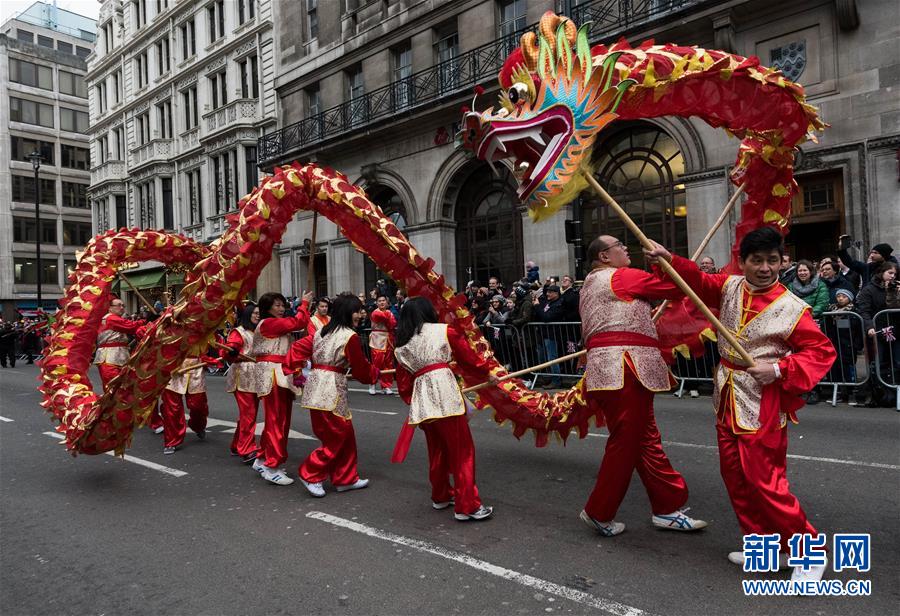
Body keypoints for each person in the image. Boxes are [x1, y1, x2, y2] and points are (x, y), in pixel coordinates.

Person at [648, 227, 836, 581]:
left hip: (763, 401)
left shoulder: (793, 308)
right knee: (735, 477)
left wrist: (779, 368)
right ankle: (764, 548)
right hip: (727, 396)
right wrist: (668, 260)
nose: (765, 268)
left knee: (765, 481)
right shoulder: (729, 286)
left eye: (772, 260)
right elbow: (697, 281)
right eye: (757, 260)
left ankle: (810, 554)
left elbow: (822, 352)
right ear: (742, 261)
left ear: (783, 261)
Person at [577, 235, 707, 538]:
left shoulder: (591, 284)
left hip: (615, 370)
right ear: (604, 256)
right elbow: (677, 288)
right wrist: (664, 261)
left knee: (644, 439)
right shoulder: (622, 277)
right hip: (624, 368)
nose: (625, 248)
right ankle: (599, 511)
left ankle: (667, 507)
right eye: (619, 245)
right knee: (626, 442)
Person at [393, 297, 498, 521]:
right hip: (445, 394)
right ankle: (467, 506)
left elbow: (403, 384)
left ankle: (441, 495)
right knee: (462, 451)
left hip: (423, 400)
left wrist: (415, 399)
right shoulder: (444, 331)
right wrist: (487, 374)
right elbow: (468, 357)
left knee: (437, 450)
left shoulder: (402, 345)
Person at [291, 293, 380, 497]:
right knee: (339, 435)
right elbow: (360, 369)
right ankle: (310, 472)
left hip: (317, 385)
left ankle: (345, 478)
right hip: (331, 389)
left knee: (345, 434)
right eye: (357, 311)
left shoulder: (322, 332)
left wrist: (295, 368)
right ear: (348, 312)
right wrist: (373, 374)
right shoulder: (350, 336)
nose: (360, 315)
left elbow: (298, 348)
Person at [249, 290, 313, 485]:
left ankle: (262, 458)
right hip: (272, 374)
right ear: (267, 308)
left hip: (278, 374)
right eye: (276, 305)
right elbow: (297, 323)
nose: (281, 308)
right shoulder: (269, 323)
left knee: (275, 420)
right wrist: (304, 304)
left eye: (282, 304)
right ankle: (272, 466)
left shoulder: (272, 325)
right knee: (278, 421)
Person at [221, 304, 262, 463]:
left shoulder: (258, 331)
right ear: (248, 314)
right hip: (243, 375)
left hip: (256, 376)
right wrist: (231, 351)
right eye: (255, 313)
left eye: (259, 313)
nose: (258, 315)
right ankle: (247, 449)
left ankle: (237, 445)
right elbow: (228, 350)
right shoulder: (238, 332)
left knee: (249, 414)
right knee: (248, 414)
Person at [159, 354, 217, 454]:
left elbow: (214, 342)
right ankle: (172, 441)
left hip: (196, 370)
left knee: (198, 405)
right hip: (173, 369)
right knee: (172, 408)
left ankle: (198, 426)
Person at [94, 297, 145, 390]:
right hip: (110, 358)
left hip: (118, 357)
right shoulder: (111, 318)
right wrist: (145, 320)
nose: (122, 307)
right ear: (110, 308)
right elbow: (131, 326)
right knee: (114, 389)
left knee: (121, 389)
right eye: (118, 305)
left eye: (123, 306)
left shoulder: (113, 318)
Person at [368, 293, 397, 395]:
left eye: (383, 301)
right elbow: (385, 318)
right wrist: (389, 316)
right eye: (379, 301)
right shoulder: (375, 313)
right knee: (377, 362)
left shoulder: (389, 312)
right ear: (376, 303)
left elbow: (393, 323)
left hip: (388, 339)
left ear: (386, 302)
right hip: (377, 339)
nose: (382, 302)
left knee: (388, 363)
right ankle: (372, 383)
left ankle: (386, 386)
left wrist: (389, 316)